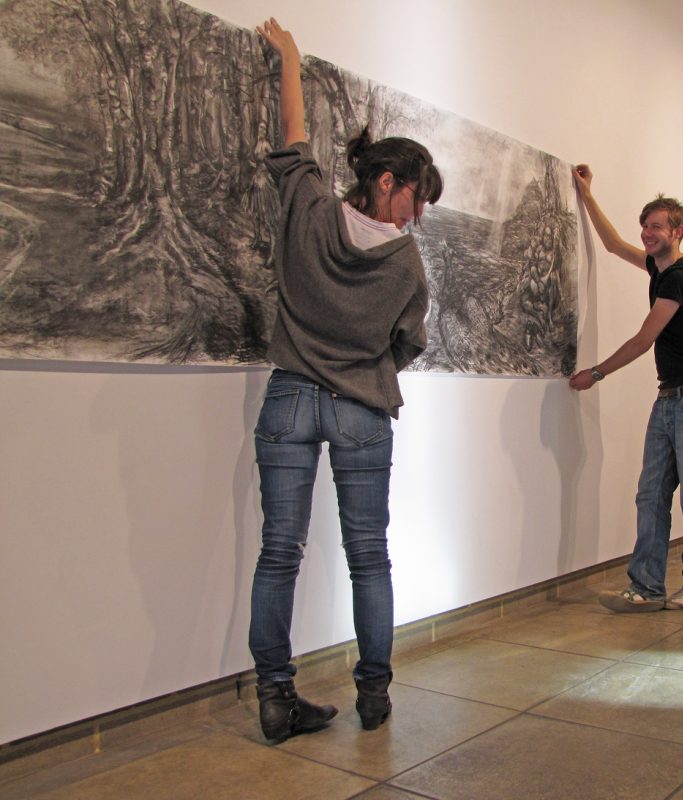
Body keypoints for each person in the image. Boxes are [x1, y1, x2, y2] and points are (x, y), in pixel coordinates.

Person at [249, 18, 443, 742]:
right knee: (370, 555)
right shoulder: (406, 267)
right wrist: (370, 365)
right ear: (385, 180)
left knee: (279, 551)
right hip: (363, 406)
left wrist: (289, 60)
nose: (416, 214)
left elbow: (291, 139)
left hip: (291, 397)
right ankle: (374, 696)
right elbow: (409, 342)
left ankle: (275, 696)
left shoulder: (308, 209)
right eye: (414, 197)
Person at [569, 164, 683, 613]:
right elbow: (614, 244)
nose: (646, 232)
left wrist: (595, 373)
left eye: (656, 226)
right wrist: (587, 193)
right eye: (645, 225)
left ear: (678, 230)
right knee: (651, 492)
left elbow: (643, 338)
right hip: (671, 396)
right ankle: (646, 587)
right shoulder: (658, 267)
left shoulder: (680, 276)